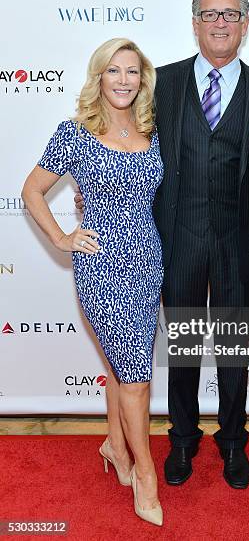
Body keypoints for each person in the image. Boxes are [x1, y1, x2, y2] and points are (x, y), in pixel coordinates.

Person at [75, 0, 249, 489]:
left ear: (244, 24)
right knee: (185, 348)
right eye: (210, 14)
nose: (220, 23)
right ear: (195, 23)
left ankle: (234, 440)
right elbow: (117, 137)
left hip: (241, 242)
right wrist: (92, 190)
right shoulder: (160, 85)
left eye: (230, 14)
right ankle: (184, 439)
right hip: (176, 237)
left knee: (236, 350)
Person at [22, 38, 164, 526]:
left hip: (148, 260)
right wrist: (62, 237)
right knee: (137, 379)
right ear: (98, 77)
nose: (123, 80)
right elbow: (32, 190)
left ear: (141, 79)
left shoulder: (151, 127)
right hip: (102, 266)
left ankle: (116, 446)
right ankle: (145, 474)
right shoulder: (76, 133)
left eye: (131, 72)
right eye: (113, 71)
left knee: (122, 368)